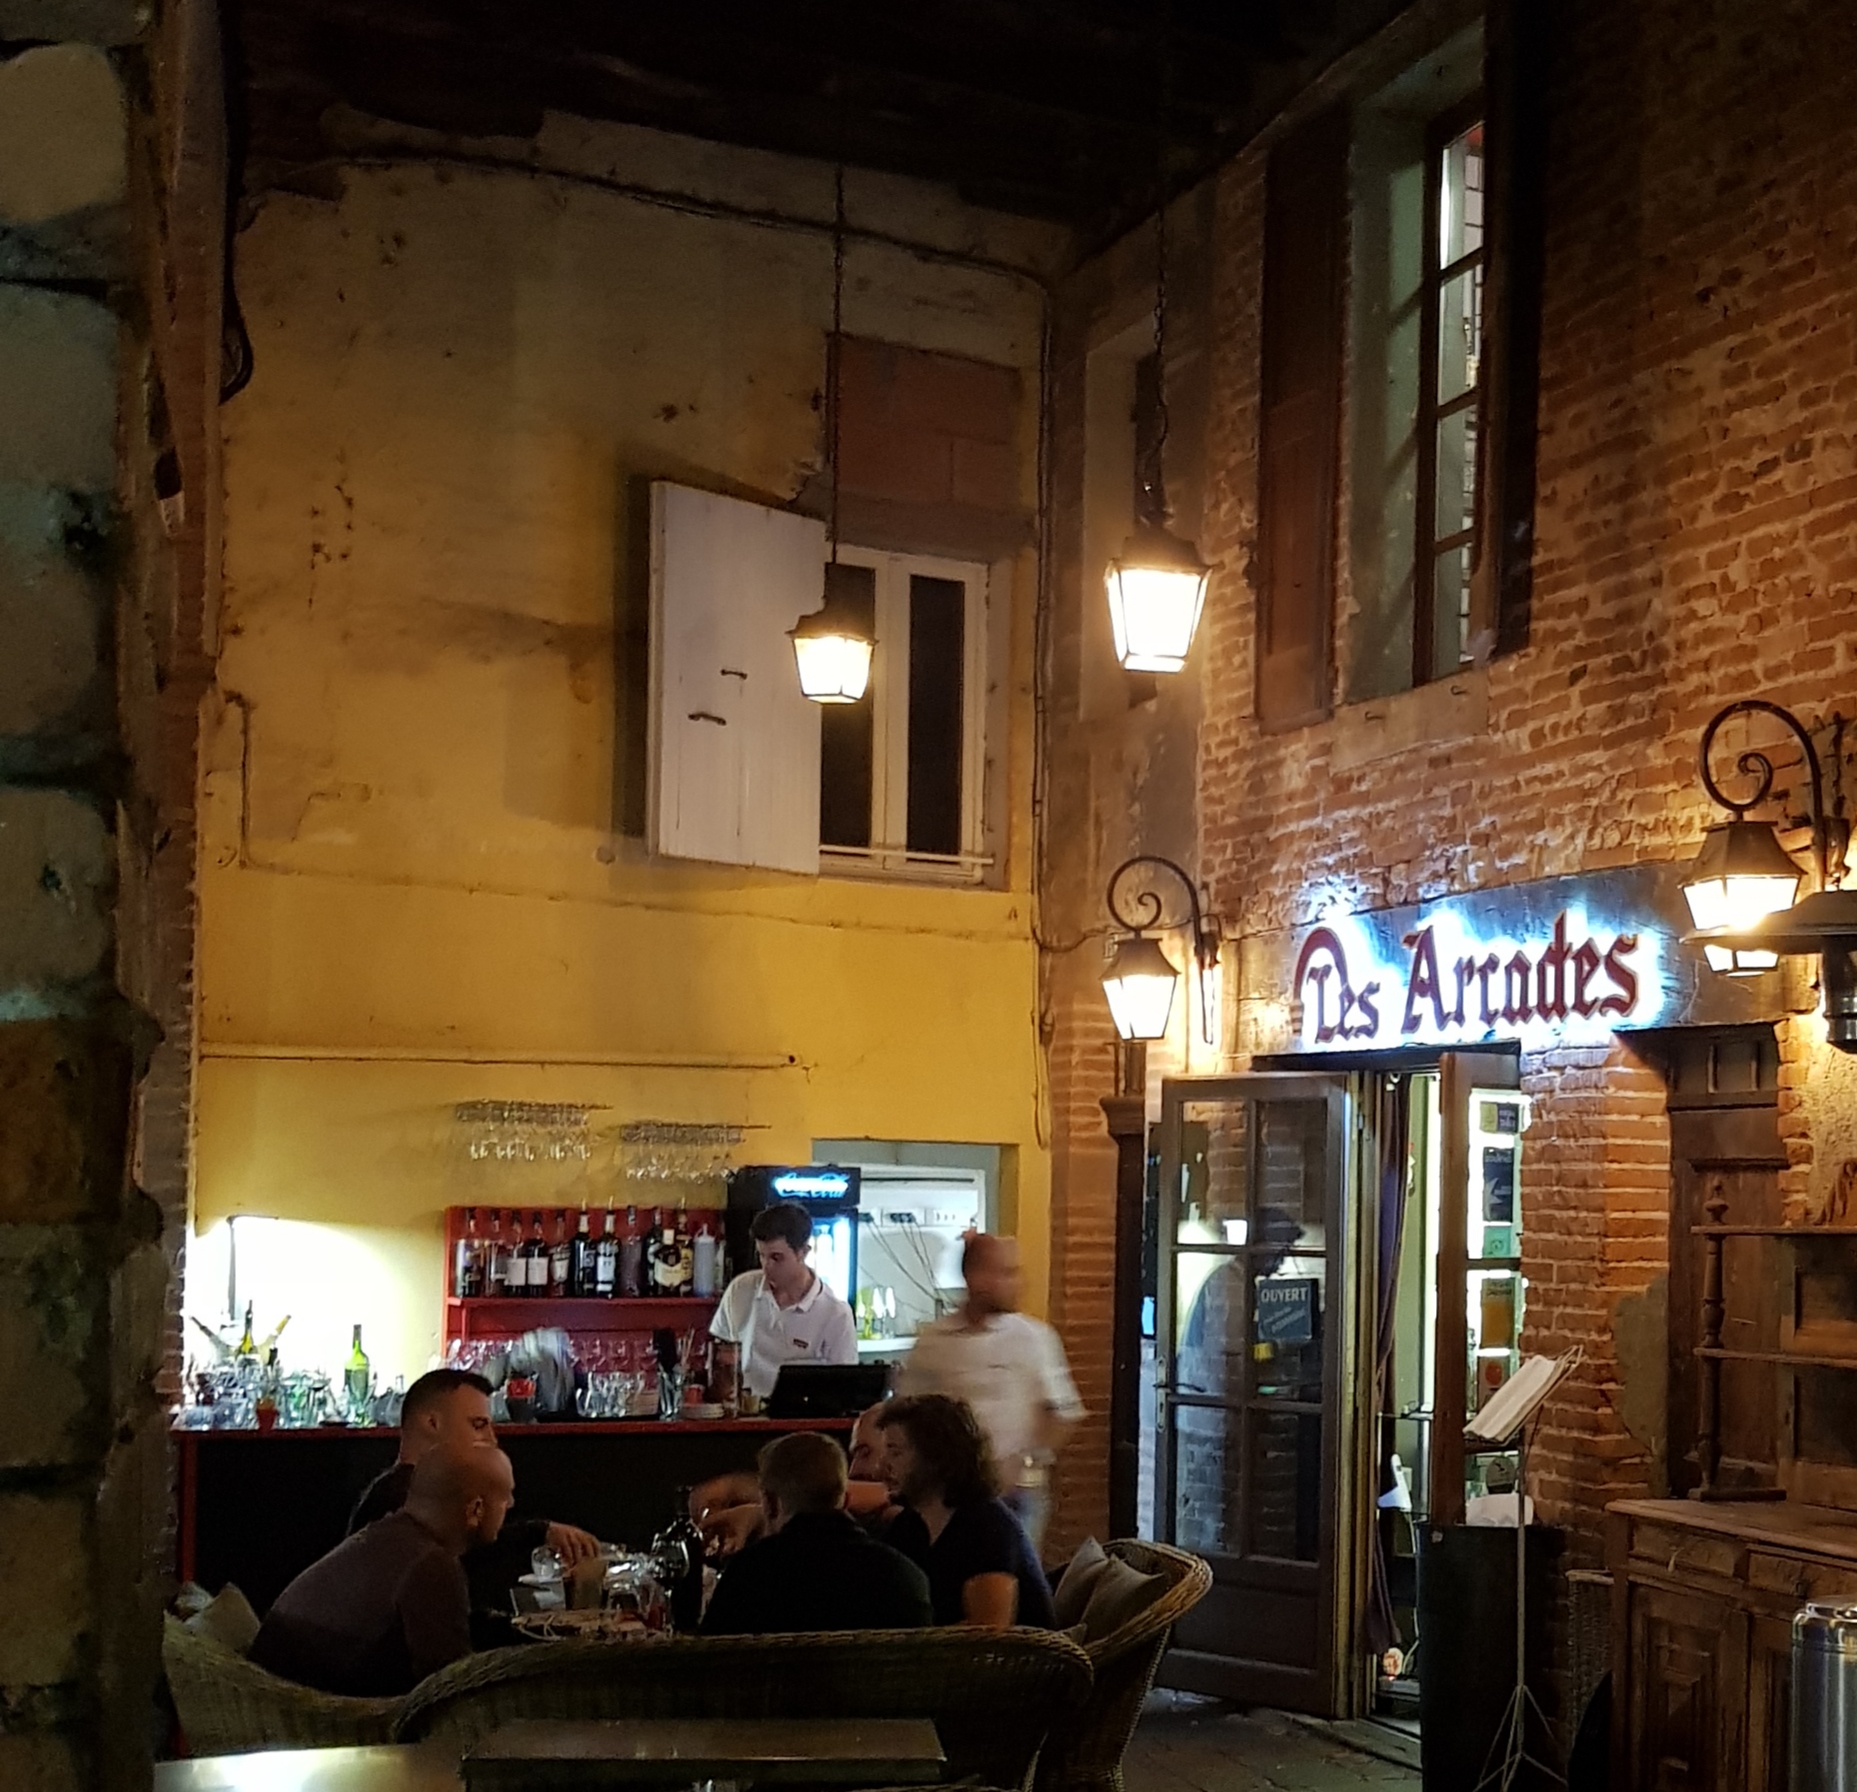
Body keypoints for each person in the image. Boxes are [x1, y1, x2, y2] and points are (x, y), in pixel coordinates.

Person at [347, 1367, 599, 1636]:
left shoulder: (399, 1492)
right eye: (478, 1425)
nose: (492, 1439)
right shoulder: (404, 1498)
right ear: (432, 1424)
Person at [252, 1445, 516, 1695]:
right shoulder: (430, 1564)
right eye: (506, 1497)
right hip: (321, 1717)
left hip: (277, 1699)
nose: (512, 1504)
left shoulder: (385, 1536)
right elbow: (451, 1690)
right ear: (475, 1509)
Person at [894, 1233, 1083, 1548]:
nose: (1019, 1283)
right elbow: (906, 1415)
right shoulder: (933, 1343)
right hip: (950, 1497)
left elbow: (1063, 1413)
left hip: (1017, 1497)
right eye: (1007, 1273)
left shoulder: (1034, 1338)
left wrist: (1026, 1463)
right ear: (975, 1276)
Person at [700, 1432, 932, 1634]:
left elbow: (709, 1661)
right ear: (845, 1500)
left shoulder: (748, 1577)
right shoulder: (904, 1578)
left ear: (770, 1504)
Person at [878, 1394, 1055, 1629]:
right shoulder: (907, 1527)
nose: (882, 1465)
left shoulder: (987, 1527)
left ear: (935, 1457)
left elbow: (988, 1629)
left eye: (895, 1452)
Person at [691, 1403, 897, 1559]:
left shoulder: (903, 1514)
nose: (854, 1469)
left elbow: (815, 1488)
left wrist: (735, 1490)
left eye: (864, 1452)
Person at [709, 1202, 858, 1404]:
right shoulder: (741, 1289)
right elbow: (721, 1356)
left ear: (803, 1252)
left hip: (805, 1415)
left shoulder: (836, 1314)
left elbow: (845, 1388)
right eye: (761, 1255)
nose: (766, 1266)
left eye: (777, 1258)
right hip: (746, 1411)